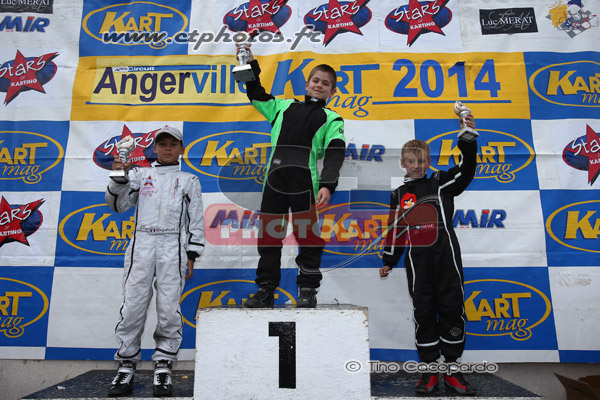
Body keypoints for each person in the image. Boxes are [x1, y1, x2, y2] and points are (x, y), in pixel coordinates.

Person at [379, 115, 478, 396]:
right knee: (423, 312)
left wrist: (467, 138)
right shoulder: (400, 194)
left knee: (451, 308)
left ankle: (453, 370)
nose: (417, 166)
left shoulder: (441, 182)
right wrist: (389, 260)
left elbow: (466, 170)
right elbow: (395, 229)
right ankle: (429, 371)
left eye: (422, 161)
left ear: (429, 161)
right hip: (418, 262)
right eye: (411, 161)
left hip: (447, 257)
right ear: (403, 163)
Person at [240, 48, 346, 308]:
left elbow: (335, 152)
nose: (319, 85)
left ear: (332, 92)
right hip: (274, 182)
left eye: (325, 84)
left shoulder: (332, 118)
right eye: (315, 81)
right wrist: (249, 64)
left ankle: (307, 289)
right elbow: (255, 93)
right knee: (269, 237)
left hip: (304, 184)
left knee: (308, 237)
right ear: (307, 84)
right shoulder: (283, 106)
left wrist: (327, 184)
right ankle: (265, 290)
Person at [105, 126, 205, 397]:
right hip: (142, 243)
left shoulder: (189, 180)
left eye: (173, 144)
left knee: (169, 307)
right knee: (133, 306)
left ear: (182, 149)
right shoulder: (139, 174)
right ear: (155, 148)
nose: (168, 148)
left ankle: (164, 365)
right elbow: (117, 206)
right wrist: (118, 178)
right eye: (163, 144)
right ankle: (126, 364)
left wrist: (192, 254)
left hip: (172, 244)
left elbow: (195, 220)